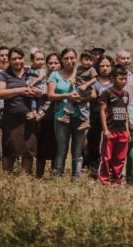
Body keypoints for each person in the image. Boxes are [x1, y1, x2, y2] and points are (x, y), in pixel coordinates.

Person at [0, 47, 41, 174]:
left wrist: (38, 92)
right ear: (9, 60)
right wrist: (20, 90)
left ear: (23, 58)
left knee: (28, 149)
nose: (17, 61)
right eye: (13, 59)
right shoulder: (4, 74)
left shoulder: (30, 72)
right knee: (9, 148)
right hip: (11, 119)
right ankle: (7, 176)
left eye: (19, 58)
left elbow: (43, 87)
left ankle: (24, 178)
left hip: (30, 117)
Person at [48, 48, 90, 180]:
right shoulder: (55, 75)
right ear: (61, 60)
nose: (69, 61)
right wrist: (67, 95)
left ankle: (76, 178)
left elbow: (94, 93)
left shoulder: (82, 73)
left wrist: (81, 99)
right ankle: (58, 177)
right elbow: (50, 95)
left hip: (80, 118)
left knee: (78, 152)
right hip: (61, 117)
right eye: (66, 58)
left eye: (72, 58)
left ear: (76, 58)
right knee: (61, 150)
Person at [98, 67, 130, 185]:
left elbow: (125, 113)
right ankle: (104, 180)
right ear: (113, 78)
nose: (123, 81)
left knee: (120, 158)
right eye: (120, 78)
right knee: (106, 157)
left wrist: (127, 131)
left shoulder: (126, 94)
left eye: (125, 79)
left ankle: (116, 179)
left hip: (122, 132)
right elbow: (102, 111)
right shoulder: (107, 93)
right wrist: (105, 130)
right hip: (110, 130)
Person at [85, 55, 114, 177]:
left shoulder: (115, 82)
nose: (105, 68)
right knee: (94, 144)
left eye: (108, 66)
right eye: (102, 66)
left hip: (112, 119)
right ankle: (93, 170)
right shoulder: (94, 82)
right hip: (95, 118)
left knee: (110, 146)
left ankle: (109, 171)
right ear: (98, 67)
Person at [35, 53, 60, 178]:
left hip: (58, 116)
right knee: (41, 146)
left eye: (56, 63)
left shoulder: (63, 77)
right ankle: (39, 174)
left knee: (57, 146)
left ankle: (54, 175)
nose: (53, 65)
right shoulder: (41, 77)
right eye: (50, 63)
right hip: (43, 117)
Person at [59, 52, 96, 131]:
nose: (89, 62)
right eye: (86, 59)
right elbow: (76, 77)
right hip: (78, 88)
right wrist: (73, 80)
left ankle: (81, 119)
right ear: (80, 60)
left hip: (86, 89)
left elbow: (94, 79)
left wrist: (86, 85)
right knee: (75, 101)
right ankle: (69, 116)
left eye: (91, 60)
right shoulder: (79, 68)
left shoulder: (91, 69)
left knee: (80, 103)